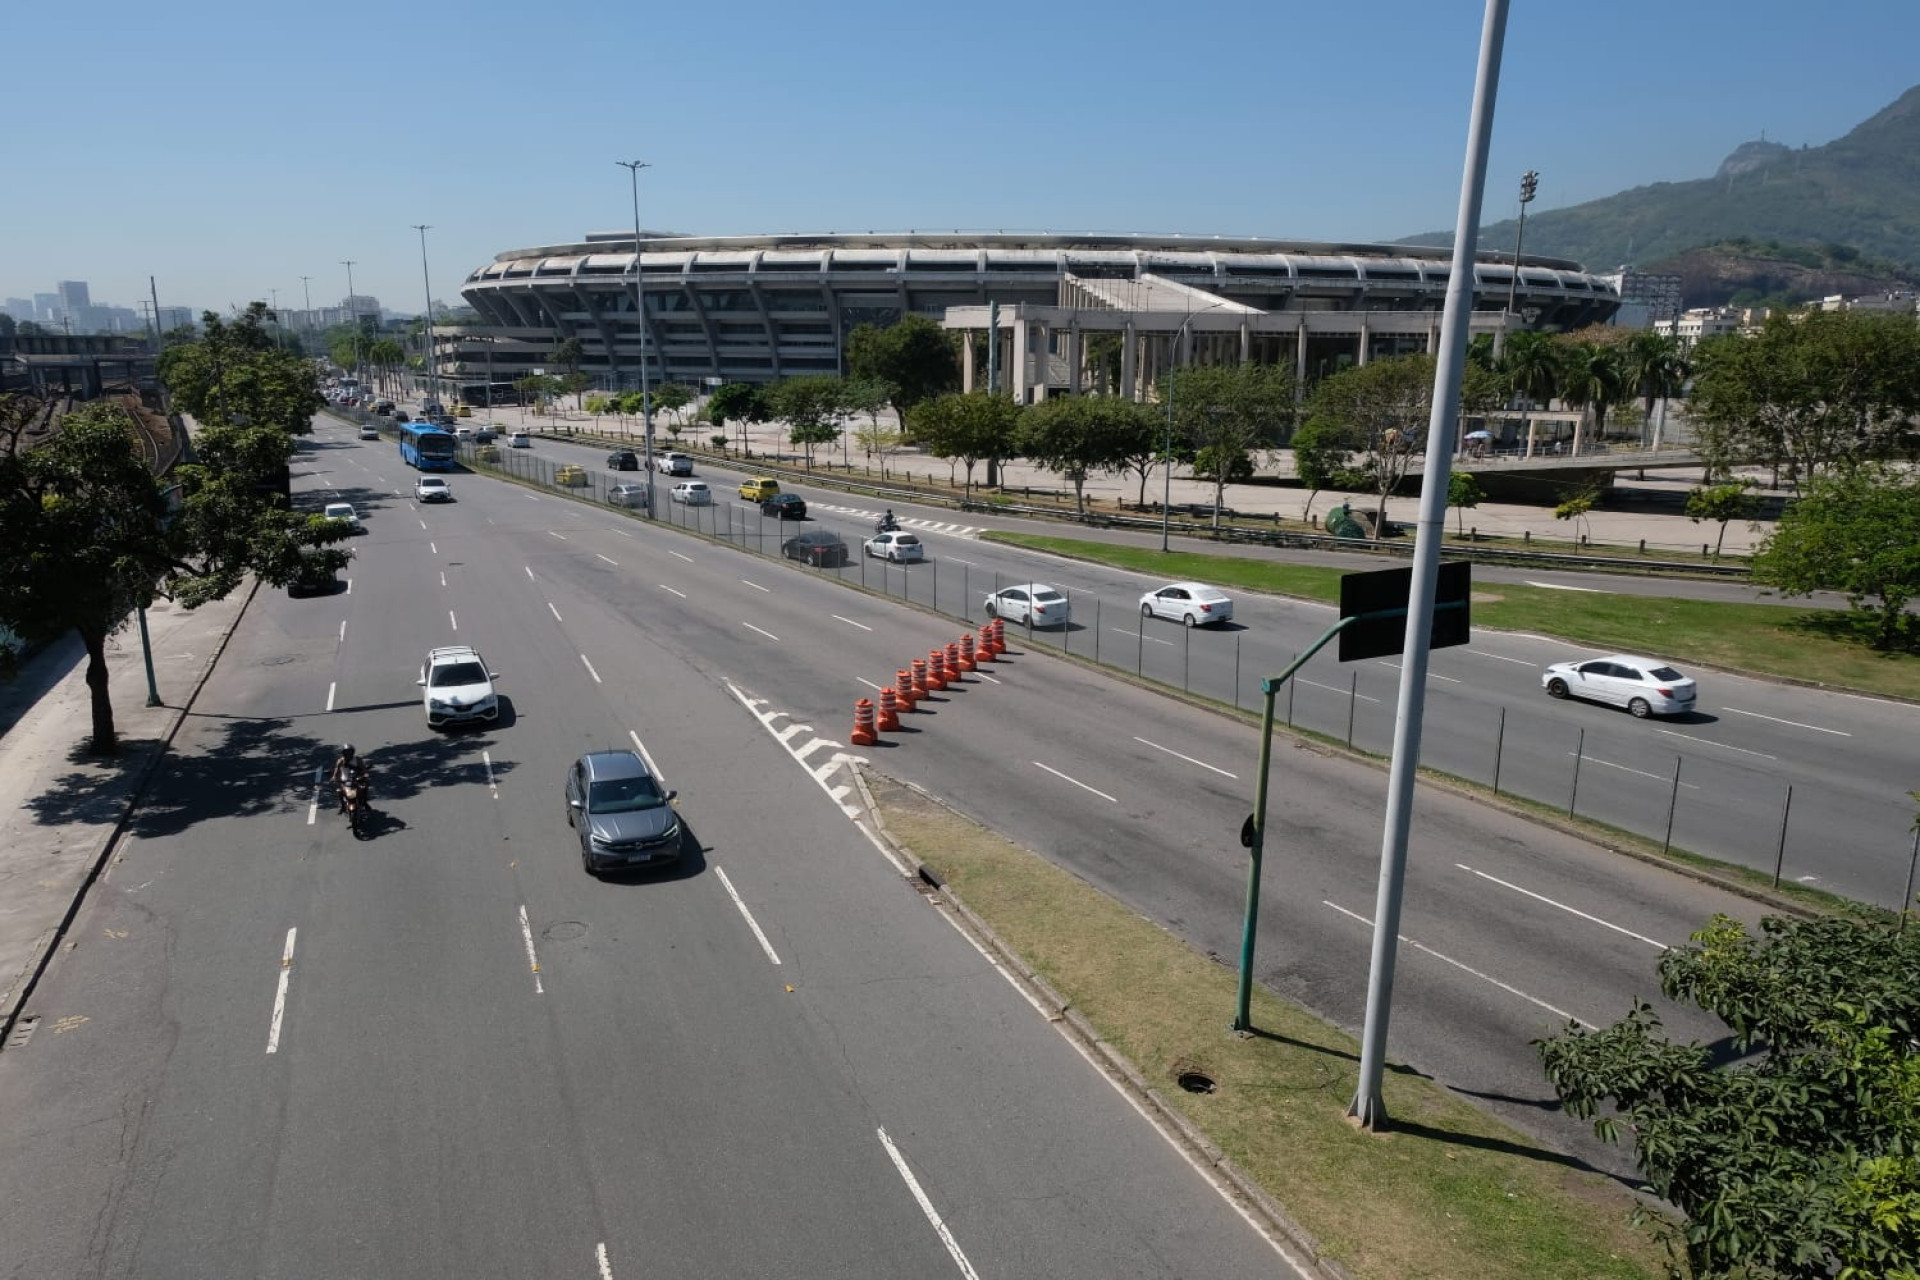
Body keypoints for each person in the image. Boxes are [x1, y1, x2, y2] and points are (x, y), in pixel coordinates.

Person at [330, 743, 357, 813]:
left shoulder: (357, 760)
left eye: (349, 752)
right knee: (339, 791)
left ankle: (365, 803)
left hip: (355, 780)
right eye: (346, 752)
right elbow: (336, 769)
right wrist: (334, 777)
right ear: (343, 753)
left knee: (364, 787)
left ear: (352, 752)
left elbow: (362, 769)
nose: (348, 754)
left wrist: (364, 774)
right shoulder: (340, 761)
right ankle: (343, 806)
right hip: (344, 781)